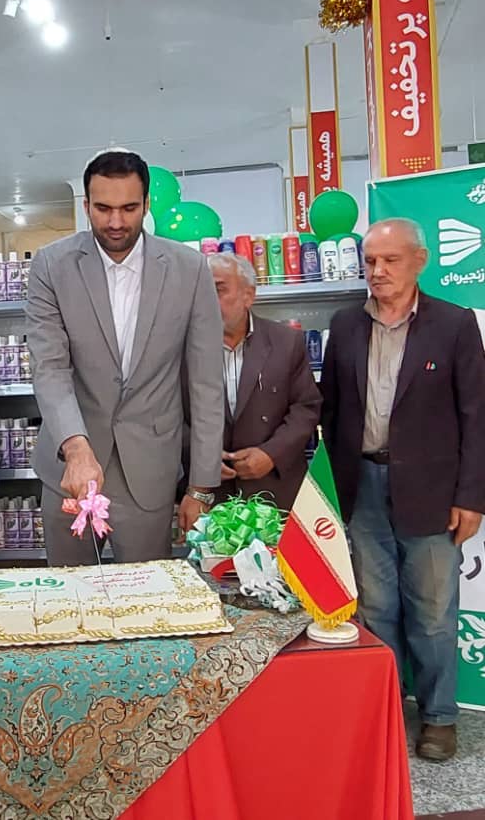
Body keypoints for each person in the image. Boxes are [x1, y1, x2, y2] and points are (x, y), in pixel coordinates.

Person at [320, 217, 485, 762]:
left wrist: (472, 496)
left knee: (433, 612)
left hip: (433, 492)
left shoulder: (454, 324)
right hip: (362, 486)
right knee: (376, 608)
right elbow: (332, 412)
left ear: (419, 261)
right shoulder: (345, 325)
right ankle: (386, 709)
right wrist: (333, 491)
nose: (378, 270)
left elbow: (477, 416)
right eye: (370, 261)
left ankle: (439, 717)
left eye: (390, 260)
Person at [25, 149, 224, 565]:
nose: (116, 222)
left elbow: (206, 383)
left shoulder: (190, 270)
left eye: (129, 208)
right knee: (71, 596)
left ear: (147, 204)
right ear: (85, 206)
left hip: (150, 473)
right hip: (69, 473)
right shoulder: (51, 265)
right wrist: (75, 448)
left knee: (148, 594)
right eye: (103, 208)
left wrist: (201, 487)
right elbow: (50, 367)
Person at [208, 253, 320, 510]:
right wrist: (203, 459)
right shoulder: (184, 347)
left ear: (248, 295)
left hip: (274, 488)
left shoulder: (286, 342)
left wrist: (271, 453)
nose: (207, 300)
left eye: (218, 290)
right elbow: (171, 414)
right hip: (211, 492)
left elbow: (306, 407)